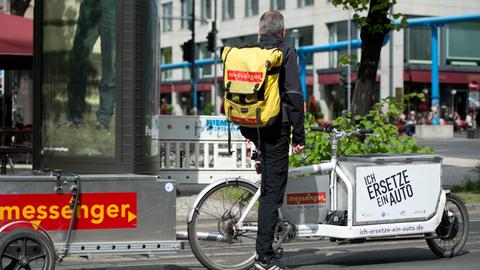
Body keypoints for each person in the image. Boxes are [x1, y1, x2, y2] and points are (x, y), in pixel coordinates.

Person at [238, 10, 305, 270]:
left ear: (260, 31)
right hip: (276, 129)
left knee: (269, 182)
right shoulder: (285, 52)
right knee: (271, 194)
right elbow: (293, 94)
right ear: (283, 32)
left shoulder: (250, 51)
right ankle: (263, 257)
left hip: (251, 126)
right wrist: (299, 135)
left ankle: (272, 241)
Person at [64, 0, 116, 129]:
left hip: (113, 5)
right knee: (79, 59)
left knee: (110, 63)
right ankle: (76, 117)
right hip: (90, 5)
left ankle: (104, 117)